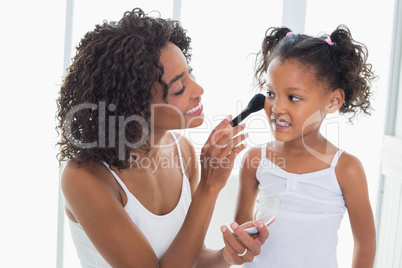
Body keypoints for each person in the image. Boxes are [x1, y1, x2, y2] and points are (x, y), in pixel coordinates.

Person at [56, 8, 269, 268]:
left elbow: (190, 257)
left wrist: (229, 254)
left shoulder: (183, 152)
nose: (199, 90)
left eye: (190, 74)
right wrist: (209, 188)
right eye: (179, 87)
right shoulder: (84, 178)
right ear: (134, 105)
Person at [235, 25, 376, 267]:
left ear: (333, 101)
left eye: (294, 97)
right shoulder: (255, 160)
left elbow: (365, 243)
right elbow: (242, 231)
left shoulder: (345, 169)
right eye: (270, 93)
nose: (276, 108)